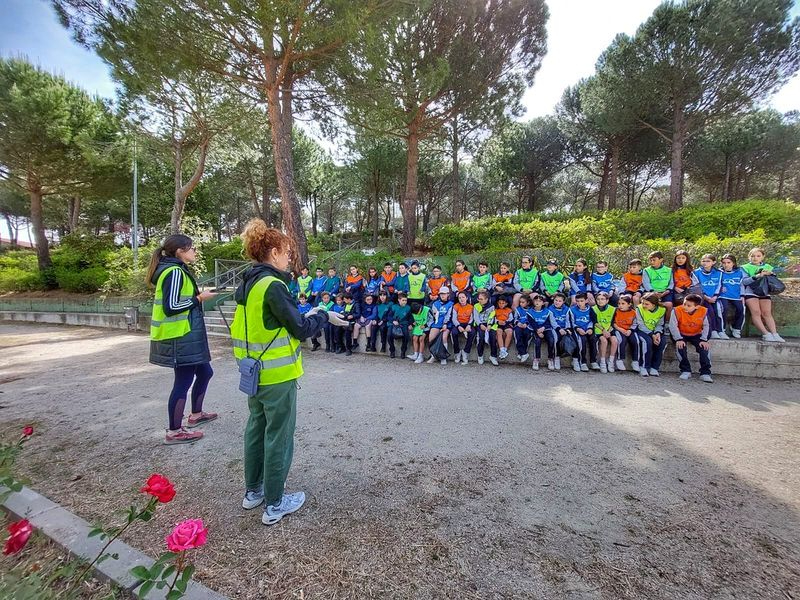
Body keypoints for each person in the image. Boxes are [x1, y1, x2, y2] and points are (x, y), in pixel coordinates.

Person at [231, 219, 347, 526]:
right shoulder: (274, 284)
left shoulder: (248, 283)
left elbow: (274, 321)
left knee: (256, 430)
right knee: (278, 437)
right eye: (286, 251)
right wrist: (321, 314)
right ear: (272, 252)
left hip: (252, 372)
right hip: (277, 376)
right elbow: (299, 328)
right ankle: (275, 504)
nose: (290, 258)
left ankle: (253, 492)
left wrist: (308, 314)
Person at [148, 234, 217, 445]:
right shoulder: (174, 272)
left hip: (188, 335)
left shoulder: (177, 269)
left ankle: (196, 414)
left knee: (205, 372)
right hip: (179, 336)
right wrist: (199, 298)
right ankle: (175, 431)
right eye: (192, 248)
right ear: (180, 251)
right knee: (183, 382)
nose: (194, 252)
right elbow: (171, 307)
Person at [741, 247, 785, 342]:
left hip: (764, 292)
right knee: (756, 312)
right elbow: (744, 281)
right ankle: (766, 334)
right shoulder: (745, 267)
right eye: (752, 256)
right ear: (749, 257)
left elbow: (772, 281)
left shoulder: (768, 266)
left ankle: (775, 334)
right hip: (750, 292)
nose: (755, 258)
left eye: (758, 256)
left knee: (767, 313)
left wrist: (771, 274)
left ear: (762, 257)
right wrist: (757, 276)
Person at [669, 293, 713, 383]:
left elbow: (707, 326)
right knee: (680, 347)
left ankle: (705, 373)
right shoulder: (676, 310)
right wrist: (678, 339)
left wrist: (704, 339)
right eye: (684, 304)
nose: (685, 307)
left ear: (696, 307)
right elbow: (672, 326)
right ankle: (685, 370)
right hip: (681, 334)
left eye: (688, 306)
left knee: (704, 348)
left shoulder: (704, 311)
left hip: (696, 334)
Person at [692, 254, 727, 339]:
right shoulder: (696, 273)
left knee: (719, 309)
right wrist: (706, 297)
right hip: (702, 298)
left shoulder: (719, 273)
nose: (705, 263)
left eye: (708, 261)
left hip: (714, 298)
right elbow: (697, 287)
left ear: (713, 262)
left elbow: (719, 285)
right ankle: (713, 330)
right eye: (703, 261)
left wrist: (715, 296)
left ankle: (721, 330)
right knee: (710, 311)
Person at [635, 292, 666, 378]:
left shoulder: (662, 310)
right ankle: (644, 366)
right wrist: (652, 335)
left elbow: (660, 324)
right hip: (642, 331)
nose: (644, 305)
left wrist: (657, 333)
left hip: (655, 331)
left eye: (647, 304)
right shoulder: (639, 308)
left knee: (662, 342)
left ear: (654, 304)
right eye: (643, 303)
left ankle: (655, 367)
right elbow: (640, 324)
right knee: (647, 342)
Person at [527, 294, 557, 371]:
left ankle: (550, 359)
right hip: (535, 329)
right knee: (537, 341)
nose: (537, 302)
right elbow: (532, 323)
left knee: (551, 340)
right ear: (533, 302)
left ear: (543, 303)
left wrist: (543, 328)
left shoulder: (547, 312)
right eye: (536, 301)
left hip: (545, 329)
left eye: (540, 301)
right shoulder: (530, 312)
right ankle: (536, 359)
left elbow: (549, 322)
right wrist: (538, 331)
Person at [719, 253, 745, 339]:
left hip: (736, 296)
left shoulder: (739, 272)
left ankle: (736, 328)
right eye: (724, 262)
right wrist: (720, 289)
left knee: (741, 309)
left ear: (733, 263)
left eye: (728, 262)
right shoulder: (719, 272)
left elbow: (742, 285)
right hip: (723, 296)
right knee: (724, 308)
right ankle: (722, 330)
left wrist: (742, 295)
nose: (726, 264)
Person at [591, 291, 617, 373]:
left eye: (602, 299)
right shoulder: (593, 309)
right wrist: (603, 330)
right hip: (599, 330)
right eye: (598, 299)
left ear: (607, 300)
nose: (600, 301)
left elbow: (613, 322)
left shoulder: (613, 309)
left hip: (609, 330)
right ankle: (602, 362)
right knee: (604, 341)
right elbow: (595, 322)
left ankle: (611, 361)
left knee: (614, 341)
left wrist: (608, 331)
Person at [569, 292, 595, 372]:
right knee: (581, 340)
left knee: (594, 339)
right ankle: (582, 362)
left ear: (586, 301)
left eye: (581, 301)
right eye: (577, 301)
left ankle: (593, 361)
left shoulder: (590, 309)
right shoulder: (572, 310)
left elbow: (592, 320)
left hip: (587, 329)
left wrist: (590, 328)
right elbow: (571, 322)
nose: (579, 303)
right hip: (577, 330)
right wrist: (578, 329)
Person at [611, 294, 639, 372]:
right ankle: (620, 360)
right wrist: (620, 329)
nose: (620, 305)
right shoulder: (615, 311)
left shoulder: (634, 312)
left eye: (623, 304)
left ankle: (635, 361)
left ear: (629, 304)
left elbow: (635, 323)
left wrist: (630, 330)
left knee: (636, 341)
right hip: (619, 329)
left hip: (630, 330)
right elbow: (613, 322)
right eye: (619, 303)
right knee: (621, 340)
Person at [642, 251, 673, 319]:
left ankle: (667, 323)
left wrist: (666, 291)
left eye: (654, 260)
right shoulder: (646, 270)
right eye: (651, 260)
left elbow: (671, 283)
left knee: (669, 305)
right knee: (646, 303)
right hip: (651, 292)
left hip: (665, 292)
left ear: (661, 260)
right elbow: (646, 283)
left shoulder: (669, 270)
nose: (652, 262)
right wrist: (653, 292)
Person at [428, 286, 453, 364]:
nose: (442, 295)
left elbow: (448, 315)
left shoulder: (451, 304)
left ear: (448, 294)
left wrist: (445, 324)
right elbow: (434, 315)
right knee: (431, 337)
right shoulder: (435, 303)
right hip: (437, 323)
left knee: (444, 337)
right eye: (441, 294)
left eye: (444, 294)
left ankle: (443, 357)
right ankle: (433, 356)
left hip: (447, 323)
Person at [473, 291, 499, 366]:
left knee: (493, 337)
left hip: (489, 324)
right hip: (480, 324)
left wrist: (489, 325)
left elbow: (492, 316)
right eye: (478, 299)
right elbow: (476, 317)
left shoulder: (492, 307)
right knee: (481, 337)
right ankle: (480, 355)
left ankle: (493, 356)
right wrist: (480, 324)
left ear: (486, 299)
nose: (479, 300)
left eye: (481, 299)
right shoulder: (476, 306)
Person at [547, 292, 570, 371]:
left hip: (564, 328)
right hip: (554, 328)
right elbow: (552, 322)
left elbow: (568, 320)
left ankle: (558, 358)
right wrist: (559, 329)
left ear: (563, 302)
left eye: (560, 301)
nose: (557, 302)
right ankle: (551, 358)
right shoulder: (550, 309)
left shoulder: (567, 309)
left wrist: (567, 329)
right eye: (556, 300)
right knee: (555, 340)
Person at [451, 290, 476, 364]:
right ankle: (457, 352)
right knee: (454, 333)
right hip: (459, 323)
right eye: (459, 298)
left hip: (467, 323)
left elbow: (472, 318)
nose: (461, 299)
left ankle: (466, 352)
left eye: (463, 297)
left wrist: (469, 325)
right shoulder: (455, 306)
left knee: (472, 333)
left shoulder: (471, 307)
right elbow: (454, 318)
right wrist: (458, 326)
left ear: (467, 298)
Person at [391, 293, 412, 359]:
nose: (404, 302)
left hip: (404, 323)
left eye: (405, 300)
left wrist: (410, 324)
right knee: (389, 335)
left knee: (406, 335)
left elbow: (411, 318)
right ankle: (392, 351)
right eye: (403, 300)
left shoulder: (408, 308)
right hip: (394, 323)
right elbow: (388, 316)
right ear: (399, 300)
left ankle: (403, 351)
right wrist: (393, 320)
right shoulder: (394, 306)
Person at [513, 294, 532, 364]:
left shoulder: (531, 310)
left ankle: (521, 352)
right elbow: (515, 318)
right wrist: (518, 323)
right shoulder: (518, 309)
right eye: (520, 302)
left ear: (528, 303)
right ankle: (523, 353)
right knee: (518, 334)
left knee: (527, 334)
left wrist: (526, 324)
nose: (521, 304)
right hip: (519, 325)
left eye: (523, 302)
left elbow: (532, 319)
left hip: (527, 326)